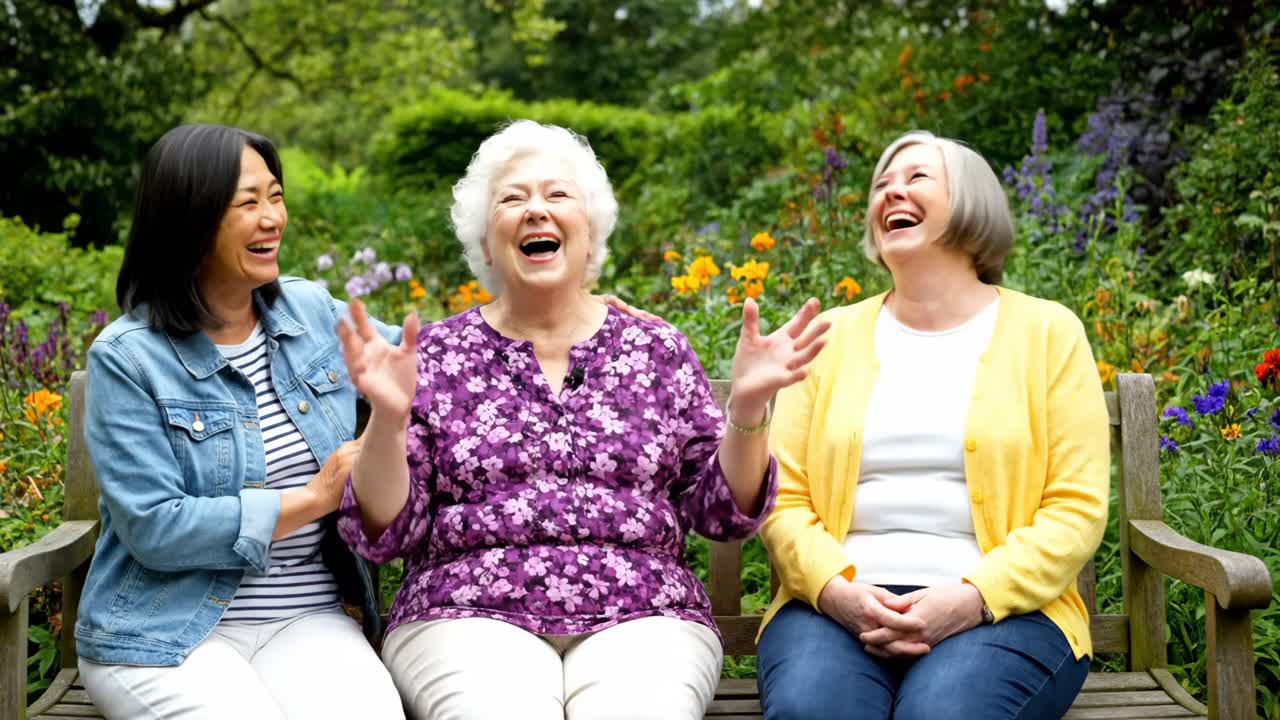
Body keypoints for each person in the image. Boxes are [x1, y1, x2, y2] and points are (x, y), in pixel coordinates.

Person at [334, 120, 830, 720]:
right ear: (486, 245)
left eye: (558, 195)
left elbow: (721, 513)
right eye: (513, 199)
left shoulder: (655, 349)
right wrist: (386, 422)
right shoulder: (436, 355)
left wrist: (747, 409)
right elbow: (388, 532)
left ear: (590, 235)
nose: (536, 210)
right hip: (465, 610)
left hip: (646, 612)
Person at [755, 130, 1110, 720]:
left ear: (972, 201)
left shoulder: (1049, 333)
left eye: (917, 177)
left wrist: (973, 597)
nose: (892, 191)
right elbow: (783, 500)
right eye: (881, 185)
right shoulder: (830, 339)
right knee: (814, 710)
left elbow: (1074, 509)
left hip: (1008, 611)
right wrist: (838, 593)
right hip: (835, 607)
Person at [76, 123, 405, 719]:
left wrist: (579, 317)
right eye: (247, 202)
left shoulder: (309, 312)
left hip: (306, 618)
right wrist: (313, 498)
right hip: (163, 632)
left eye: (275, 196)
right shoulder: (127, 358)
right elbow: (155, 527)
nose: (272, 217)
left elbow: (436, 358)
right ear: (190, 219)